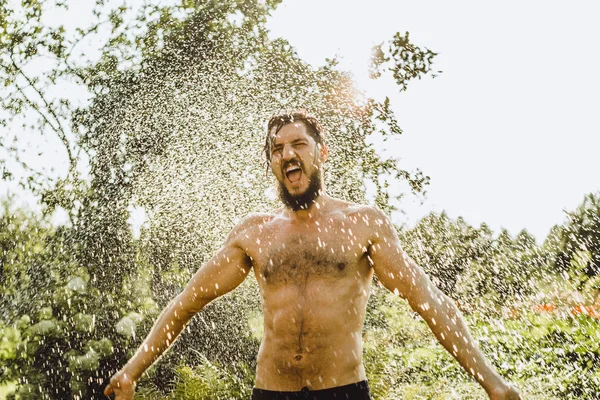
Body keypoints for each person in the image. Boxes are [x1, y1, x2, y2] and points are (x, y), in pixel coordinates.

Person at [105, 111, 521, 400]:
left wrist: (491, 381)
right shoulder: (255, 233)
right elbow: (186, 303)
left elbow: (429, 302)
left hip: (342, 392)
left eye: (298, 144)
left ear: (321, 153)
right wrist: (132, 371)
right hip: (272, 392)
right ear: (271, 163)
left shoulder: (362, 224)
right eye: (277, 148)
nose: (288, 154)